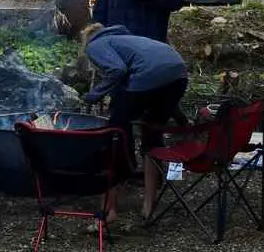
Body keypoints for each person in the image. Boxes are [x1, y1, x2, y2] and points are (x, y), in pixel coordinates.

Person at [80, 22, 188, 224]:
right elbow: (159, 73)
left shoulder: (95, 44)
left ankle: (110, 208)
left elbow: (117, 70)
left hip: (149, 76)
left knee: (114, 134)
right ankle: (148, 205)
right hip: (179, 74)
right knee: (152, 133)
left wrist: (93, 95)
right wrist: (182, 120)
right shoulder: (129, 39)